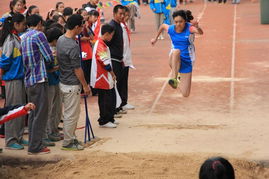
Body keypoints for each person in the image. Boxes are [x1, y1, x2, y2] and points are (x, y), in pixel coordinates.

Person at [57, 14, 90, 151]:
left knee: (70, 113)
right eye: (81, 26)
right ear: (76, 27)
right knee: (71, 115)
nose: (82, 29)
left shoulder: (60, 39)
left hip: (63, 81)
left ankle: (71, 138)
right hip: (71, 84)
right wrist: (85, 85)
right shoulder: (72, 45)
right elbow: (77, 69)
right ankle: (68, 142)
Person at [21, 14, 54, 155]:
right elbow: (48, 56)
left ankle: (34, 144)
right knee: (40, 113)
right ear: (39, 23)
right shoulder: (39, 35)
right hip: (39, 78)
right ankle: (35, 146)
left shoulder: (22, 37)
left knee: (34, 113)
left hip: (28, 80)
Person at [151, 10, 203, 97]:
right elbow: (163, 26)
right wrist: (155, 38)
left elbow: (200, 32)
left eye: (181, 22)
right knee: (176, 51)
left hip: (187, 61)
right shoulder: (171, 29)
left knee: (185, 94)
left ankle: (178, 77)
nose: (178, 24)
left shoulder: (190, 28)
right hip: (174, 59)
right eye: (176, 22)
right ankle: (174, 78)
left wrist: (198, 27)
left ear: (185, 21)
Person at [0, 13, 27, 150]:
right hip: (12, 79)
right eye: (23, 24)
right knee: (13, 110)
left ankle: (19, 137)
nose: (25, 26)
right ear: (16, 24)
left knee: (20, 108)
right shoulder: (10, 40)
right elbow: (4, 61)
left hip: (19, 77)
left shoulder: (16, 37)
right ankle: (10, 140)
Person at [90, 24, 118, 128]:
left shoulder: (102, 43)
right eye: (111, 35)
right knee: (105, 99)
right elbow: (104, 62)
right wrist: (112, 73)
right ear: (106, 34)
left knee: (109, 97)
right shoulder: (100, 45)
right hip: (102, 76)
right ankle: (104, 120)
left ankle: (110, 118)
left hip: (105, 76)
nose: (112, 37)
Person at [44, 27, 63, 142]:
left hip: (57, 80)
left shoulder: (56, 48)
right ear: (55, 39)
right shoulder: (47, 49)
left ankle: (54, 130)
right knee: (49, 108)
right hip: (50, 82)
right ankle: (48, 132)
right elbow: (47, 68)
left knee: (57, 108)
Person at [107, 5, 126, 116]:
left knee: (118, 84)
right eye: (120, 14)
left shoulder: (119, 25)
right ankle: (113, 110)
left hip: (119, 59)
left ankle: (117, 107)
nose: (122, 16)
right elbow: (107, 43)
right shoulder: (112, 26)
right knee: (113, 85)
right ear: (114, 14)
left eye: (123, 14)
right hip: (113, 59)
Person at [121, 6, 135, 111]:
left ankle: (124, 102)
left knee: (124, 81)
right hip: (121, 59)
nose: (126, 17)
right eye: (125, 15)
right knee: (120, 82)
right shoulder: (120, 27)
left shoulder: (125, 26)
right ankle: (120, 103)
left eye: (128, 15)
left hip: (126, 58)